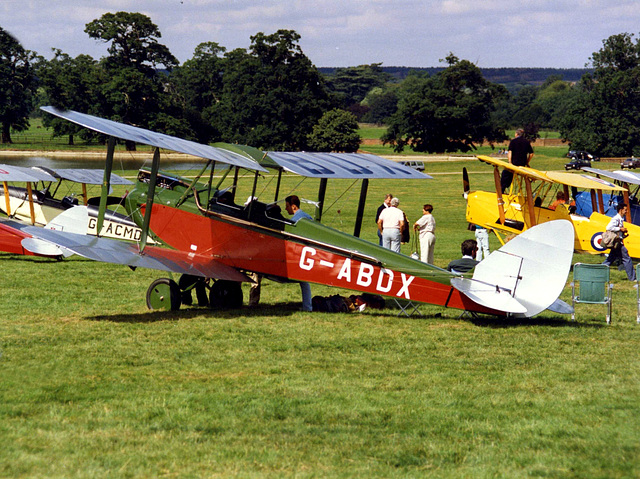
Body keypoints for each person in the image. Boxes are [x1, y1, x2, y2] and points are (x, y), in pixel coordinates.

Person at [285, 195, 314, 310]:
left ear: (293, 206)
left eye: (287, 206)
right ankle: (307, 306)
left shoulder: (294, 220)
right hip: (310, 252)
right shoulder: (308, 217)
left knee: (303, 281)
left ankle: (307, 307)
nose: (286, 209)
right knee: (304, 282)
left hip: (301, 253)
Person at [602, 203, 636, 281]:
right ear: (621, 210)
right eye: (625, 210)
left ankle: (598, 272)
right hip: (617, 243)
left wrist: (623, 234)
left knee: (609, 260)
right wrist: (620, 229)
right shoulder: (616, 219)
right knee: (627, 258)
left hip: (618, 243)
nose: (626, 211)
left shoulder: (620, 219)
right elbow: (608, 227)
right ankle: (632, 278)